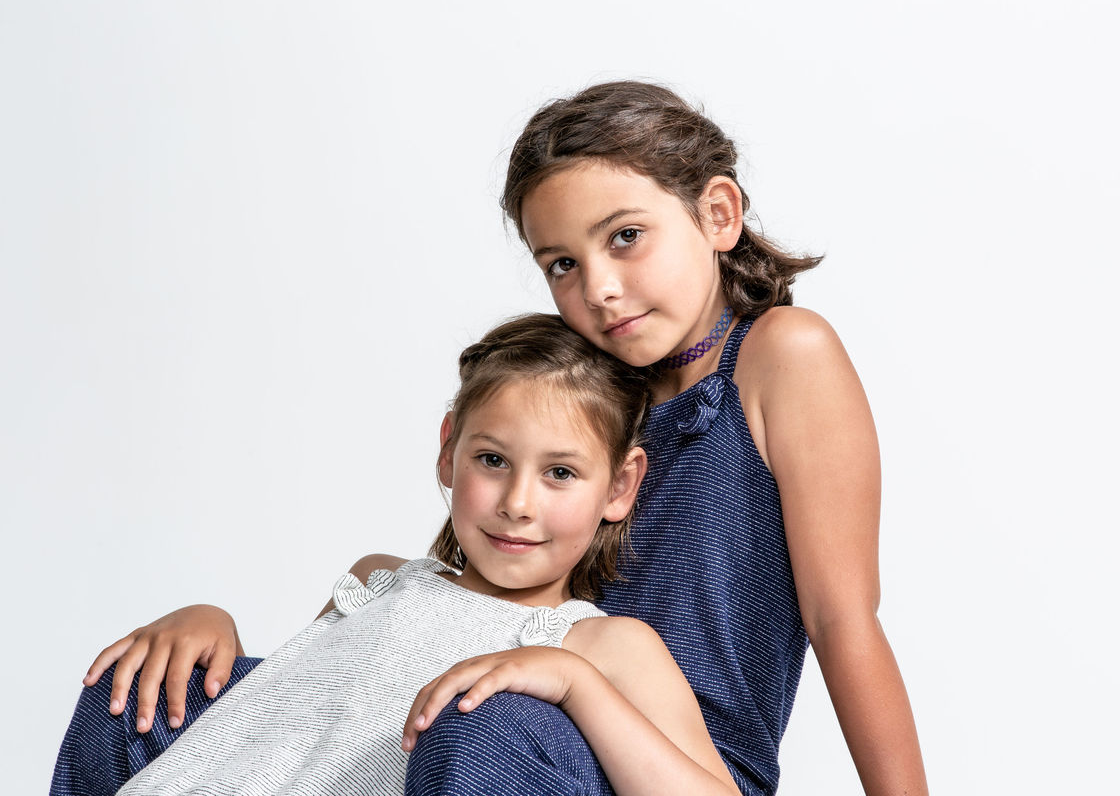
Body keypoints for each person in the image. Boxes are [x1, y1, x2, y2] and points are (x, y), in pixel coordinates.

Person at [54, 81, 928, 796]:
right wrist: (212, 624)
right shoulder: (589, 381)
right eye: (563, 265)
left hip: (661, 755)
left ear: (719, 214)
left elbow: (841, 618)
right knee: (141, 696)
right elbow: (454, 600)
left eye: (626, 238)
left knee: (485, 719)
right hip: (507, 692)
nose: (600, 289)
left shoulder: (780, 355)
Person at [55, 313, 743, 796]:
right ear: (449, 450)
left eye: (560, 473)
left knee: (478, 726)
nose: (518, 503)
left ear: (619, 486)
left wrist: (575, 684)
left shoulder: (605, 644)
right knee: (129, 684)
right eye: (492, 460)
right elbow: (285, 722)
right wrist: (210, 621)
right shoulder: (377, 578)